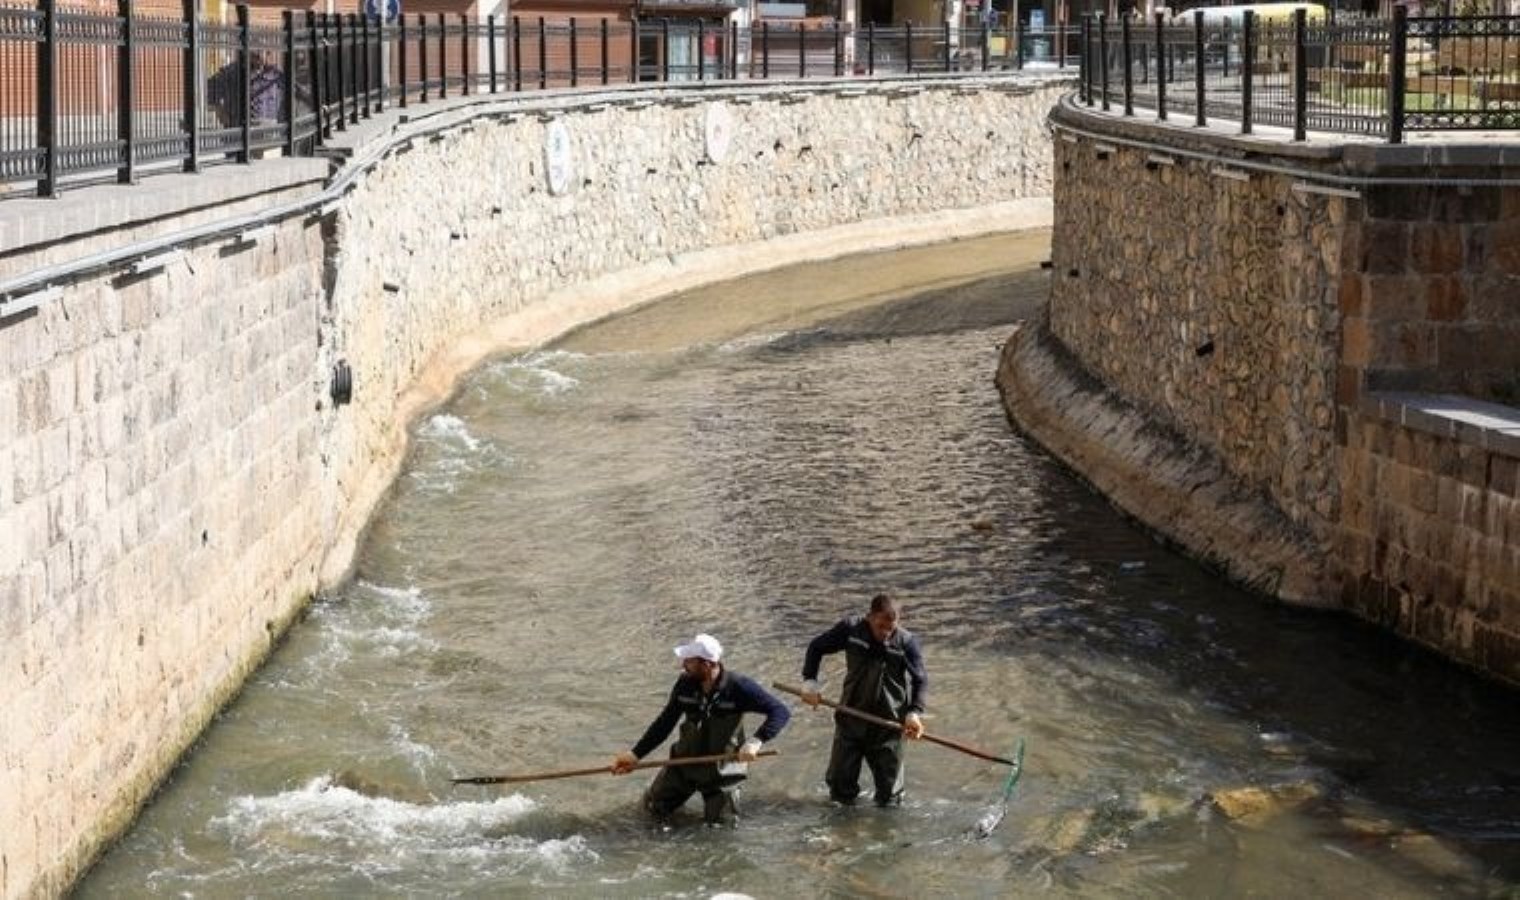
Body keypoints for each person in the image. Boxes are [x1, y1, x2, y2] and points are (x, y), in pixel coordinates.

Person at [612, 633, 791, 825]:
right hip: (684, 762)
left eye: (689, 661)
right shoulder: (684, 684)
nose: (683, 665)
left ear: (707, 664)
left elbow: (780, 711)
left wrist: (756, 741)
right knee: (651, 810)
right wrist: (635, 755)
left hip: (724, 769)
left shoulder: (739, 687)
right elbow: (665, 723)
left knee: (721, 828)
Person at [800, 594, 927, 807]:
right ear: (869, 617)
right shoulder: (850, 630)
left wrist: (914, 713)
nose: (885, 634)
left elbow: (920, 680)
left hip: (889, 726)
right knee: (839, 791)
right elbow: (816, 647)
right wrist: (810, 683)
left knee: (891, 797)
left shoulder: (906, 643)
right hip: (850, 719)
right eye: (880, 626)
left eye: (890, 628)